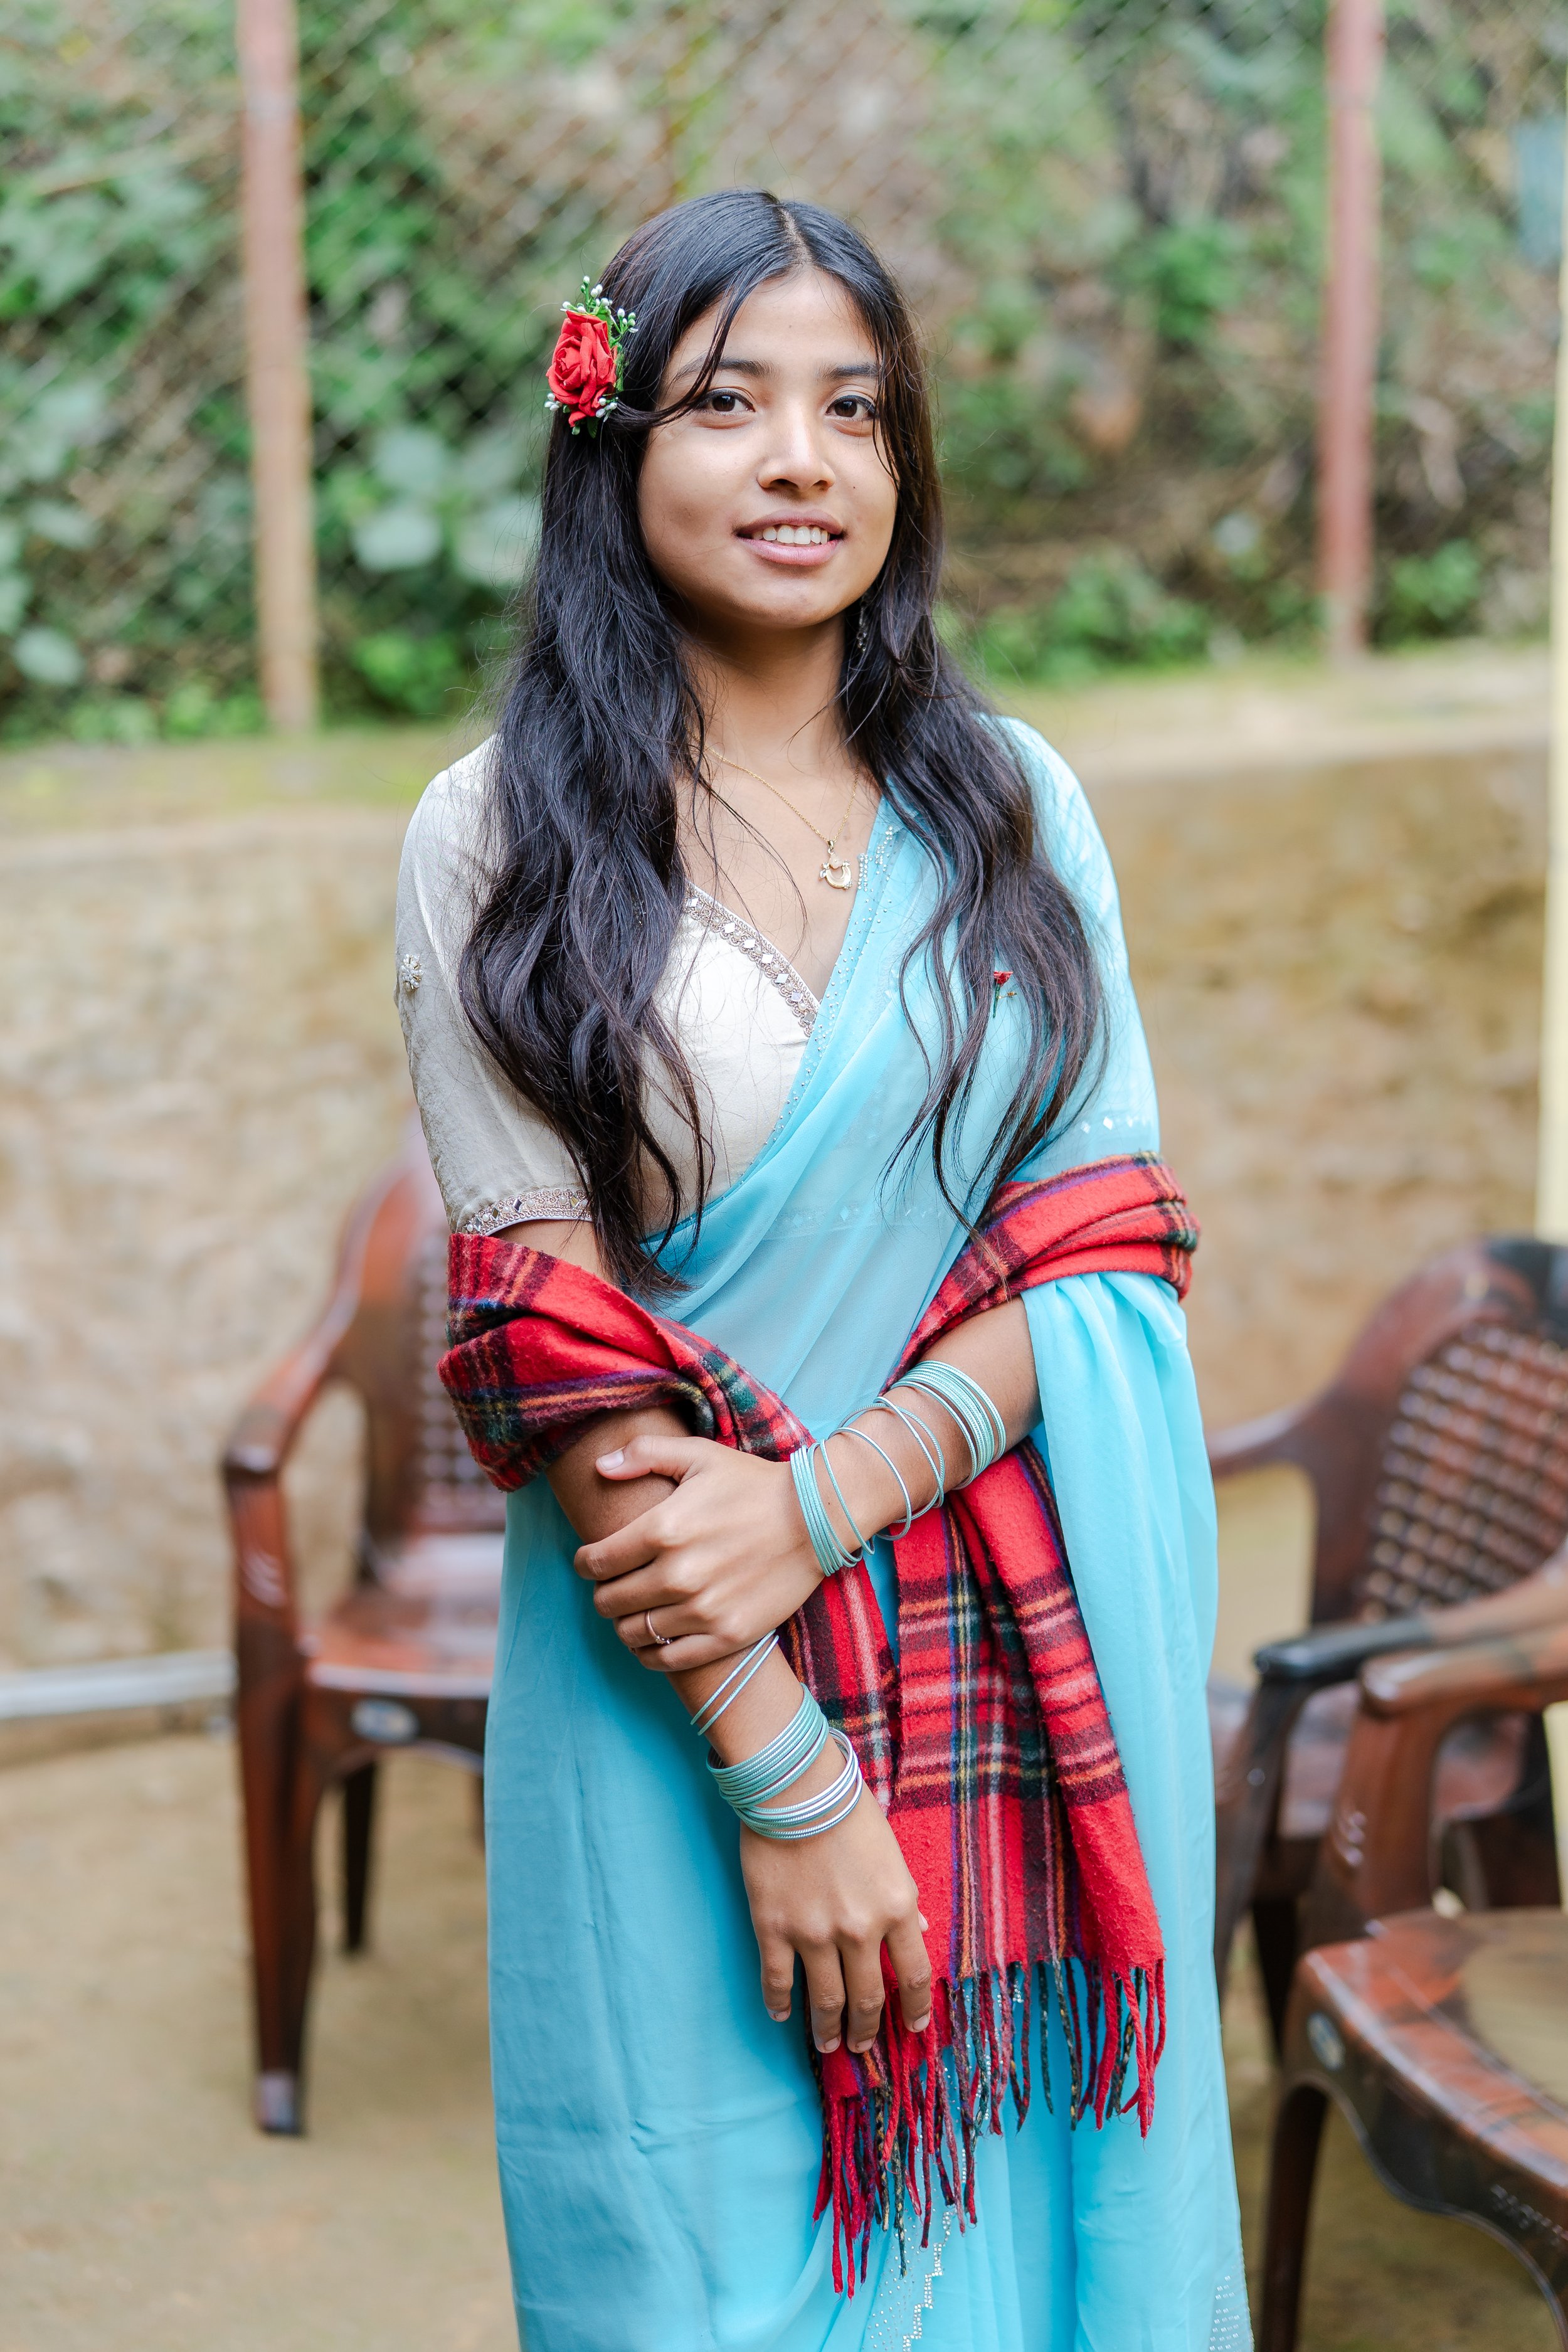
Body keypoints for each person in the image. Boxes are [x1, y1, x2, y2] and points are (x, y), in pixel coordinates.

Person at [396, 188, 1249, 2352]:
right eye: (728, 403)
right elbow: (556, 1350)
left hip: (1012, 1678)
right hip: (670, 1692)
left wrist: (821, 1501)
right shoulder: (495, 837)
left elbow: (1103, 1244)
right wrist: (784, 1777)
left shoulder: (1011, 807)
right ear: (610, 444)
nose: (802, 461)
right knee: (700, 2278)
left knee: (1033, 2243)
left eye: (852, 410)